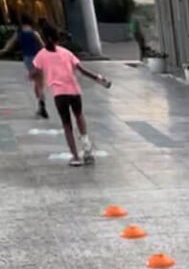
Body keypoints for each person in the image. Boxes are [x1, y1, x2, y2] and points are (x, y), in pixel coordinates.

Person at [33, 25, 111, 166]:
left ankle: (75, 157)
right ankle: (87, 150)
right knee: (80, 117)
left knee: (67, 125)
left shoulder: (41, 55)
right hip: (74, 91)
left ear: (44, 39)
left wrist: (38, 89)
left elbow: (36, 74)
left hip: (59, 94)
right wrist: (99, 79)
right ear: (58, 38)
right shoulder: (66, 52)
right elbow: (82, 70)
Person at [0, 14, 48, 118]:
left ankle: (41, 105)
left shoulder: (19, 33)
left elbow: (9, 45)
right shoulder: (34, 33)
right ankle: (41, 103)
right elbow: (43, 46)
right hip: (38, 58)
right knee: (40, 83)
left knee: (37, 83)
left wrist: (3, 51)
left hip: (28, 59)